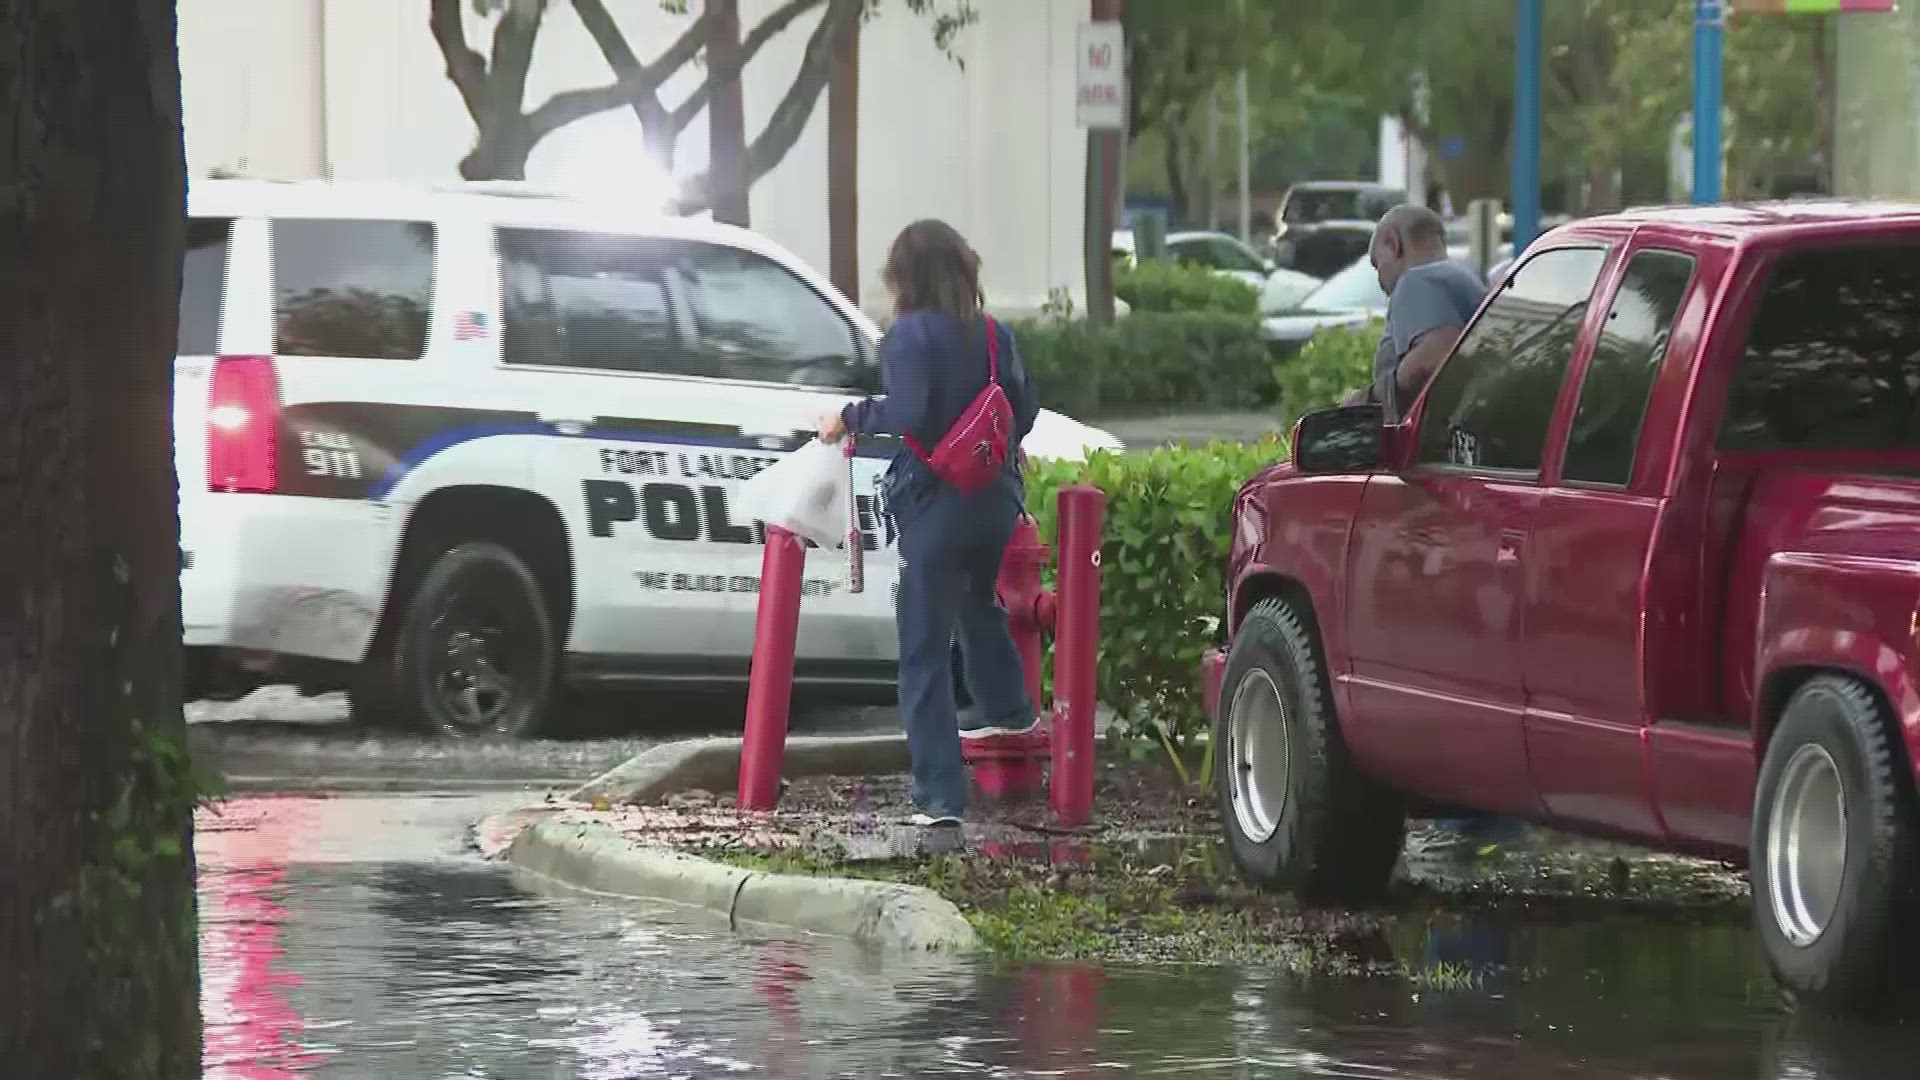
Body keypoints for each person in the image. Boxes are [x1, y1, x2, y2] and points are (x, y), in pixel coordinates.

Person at [815, 219, 1039, 828]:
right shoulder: (995, 334)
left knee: (922, 650)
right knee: (977, 601)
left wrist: (847, 415)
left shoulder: (909, 335)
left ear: (904, 277)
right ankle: (1013, 712)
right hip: (995, 500)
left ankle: (939, 798)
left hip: (937, 501)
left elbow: (907, 412)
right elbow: (1025, 413)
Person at [1354, 203, 1486, 418]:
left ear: (1393, 244)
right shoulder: (1463, 277)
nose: (1379, 280)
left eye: (1377, 264)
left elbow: (1436, 354)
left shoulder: (1416, 280)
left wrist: (1370, 398)